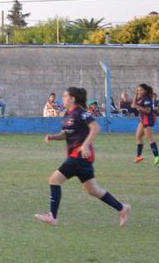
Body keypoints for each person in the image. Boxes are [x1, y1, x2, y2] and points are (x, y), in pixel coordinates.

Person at [34, 86, 131, 227]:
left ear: (73, 99)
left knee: (54, 180)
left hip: (79, 156)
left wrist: (85, 145)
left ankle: (52, 216)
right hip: (79, 157)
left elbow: (96, 127)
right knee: (93, 190)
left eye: (65, 96)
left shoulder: (81, 113)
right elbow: (66, 133)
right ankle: (122, 208)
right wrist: (53, 137)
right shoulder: (68, 114)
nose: (63, 99)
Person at [133, 83, 159, 165]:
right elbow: (133, 104)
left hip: (148, 120)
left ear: (145, 91)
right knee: (138, 136)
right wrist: (135, 94)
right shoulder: (141, 98)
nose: (139, 91)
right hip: (143, 120)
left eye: (141, 90)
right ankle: (139, 156)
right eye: (138, 90)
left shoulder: (147, 99)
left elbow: (148, 110)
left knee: (149, 139)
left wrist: (137, 106)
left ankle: (157, 156)